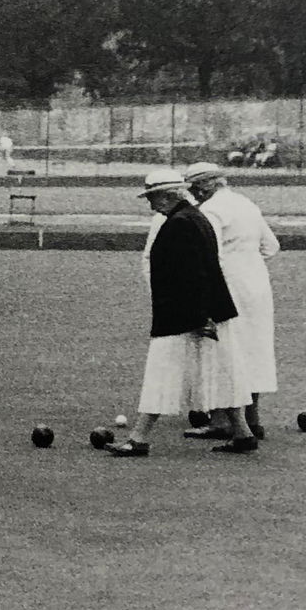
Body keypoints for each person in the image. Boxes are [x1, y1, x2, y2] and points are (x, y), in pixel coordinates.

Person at [108, 169, 256, 458]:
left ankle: (138, 438)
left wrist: (199, 317)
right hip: (207, 312)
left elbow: (193, 274)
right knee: (222, 371)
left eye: (152, 198)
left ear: (167, 196)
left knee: (161, 374)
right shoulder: (195, 217)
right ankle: (243, 433)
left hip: (184, 317)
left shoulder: (180, 223)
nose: (151, 205)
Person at [185, 161, 280, 439]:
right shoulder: (247, 204)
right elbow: (271, 246)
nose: (193, 196)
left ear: (202, 188)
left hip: (226, 286)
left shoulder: (210, 211)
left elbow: (207, 251)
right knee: (253, 349)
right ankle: (253, 419)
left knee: (222, 348)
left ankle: (221, 420)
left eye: (193, 189)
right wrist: (245, 260)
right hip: (257, 285)